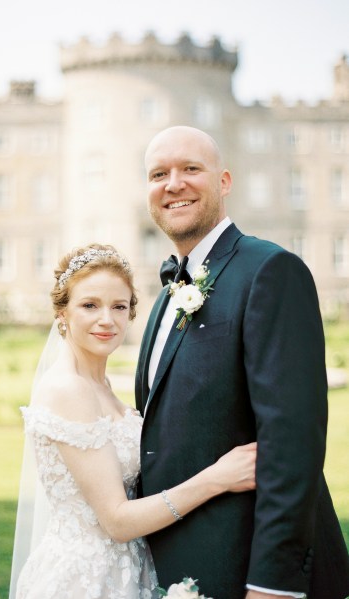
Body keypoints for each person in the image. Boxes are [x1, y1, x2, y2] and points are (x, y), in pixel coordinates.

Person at [136, 125, 349, 599]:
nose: (174, 184)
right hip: (180, 566)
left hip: (248, 571)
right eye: (158, 174)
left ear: (225, 181)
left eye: (191, 169)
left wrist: (273, 584)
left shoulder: (270, 270)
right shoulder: (164, 297)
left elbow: (292, 442)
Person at [9, 243, 257, 599]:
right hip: (85, 581)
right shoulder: (68, 390)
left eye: (119, 306)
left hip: (126, 571)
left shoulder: (103, 388)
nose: (107, 319)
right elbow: (117, 521)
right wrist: (217, 478)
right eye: (90, 305)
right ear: (62, 314)